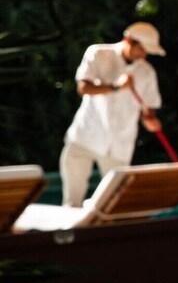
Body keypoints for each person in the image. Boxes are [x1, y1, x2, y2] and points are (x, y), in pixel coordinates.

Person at [61, 22, 165, 207]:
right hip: (85, 136)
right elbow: (83, 88)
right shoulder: (98, 53)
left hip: (120, 145)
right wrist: (115, 87)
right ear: (128, 40)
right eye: (141, 49)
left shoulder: (147, 72)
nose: (143, 55)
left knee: (115, 204)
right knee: (71, 203)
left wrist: (150, 121)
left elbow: (148, 111)